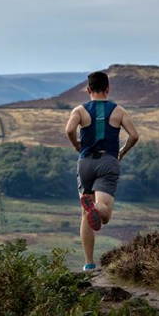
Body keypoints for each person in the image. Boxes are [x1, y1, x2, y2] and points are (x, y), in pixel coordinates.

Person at [65, 71, 139, 272]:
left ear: (88, 90)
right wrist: (122, 152)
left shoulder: (79, 111)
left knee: (85, 215)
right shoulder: (118, 111)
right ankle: (95, 208)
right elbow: (134, 135)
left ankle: (89, 263)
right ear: (108, 89)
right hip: (107, 161)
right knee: (104, 215)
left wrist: (75, 144)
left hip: (85, 162)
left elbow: (69, 130)